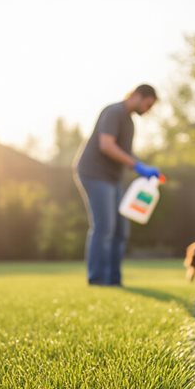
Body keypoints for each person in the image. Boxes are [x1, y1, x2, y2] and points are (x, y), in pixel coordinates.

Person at [74, 84, 161, 286]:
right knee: (104, 227)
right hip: (94, 174)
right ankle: (97, 279)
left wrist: (143, 165)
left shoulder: (129, 122)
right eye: (148, 104)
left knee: (121, 230)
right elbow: (107, 145)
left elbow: (125, 153)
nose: (148, 110)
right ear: (137, 96)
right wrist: (137, 166)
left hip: (112, 179)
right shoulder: (114, 112)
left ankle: (114, 280)